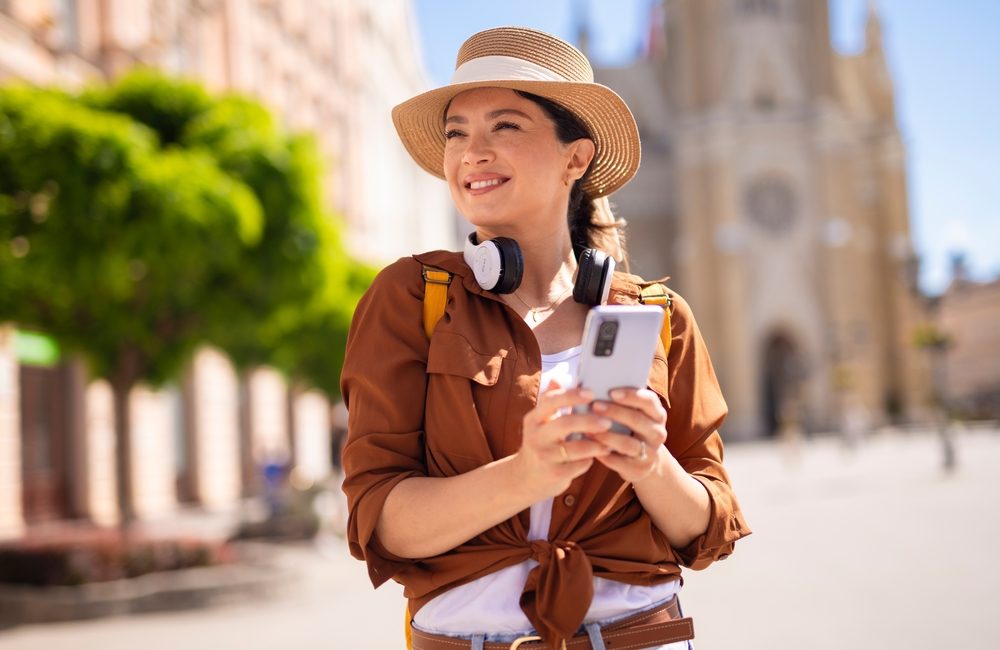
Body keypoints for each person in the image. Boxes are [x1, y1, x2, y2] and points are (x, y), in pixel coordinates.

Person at [341, 27, 750, 650]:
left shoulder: (659, 314)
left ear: (575, 158)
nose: (471, 152)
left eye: (504, 126)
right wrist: (527, 474)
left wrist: (648, 464)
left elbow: (707, 527)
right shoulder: (411, 297)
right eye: (456, 132)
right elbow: (380, 521)